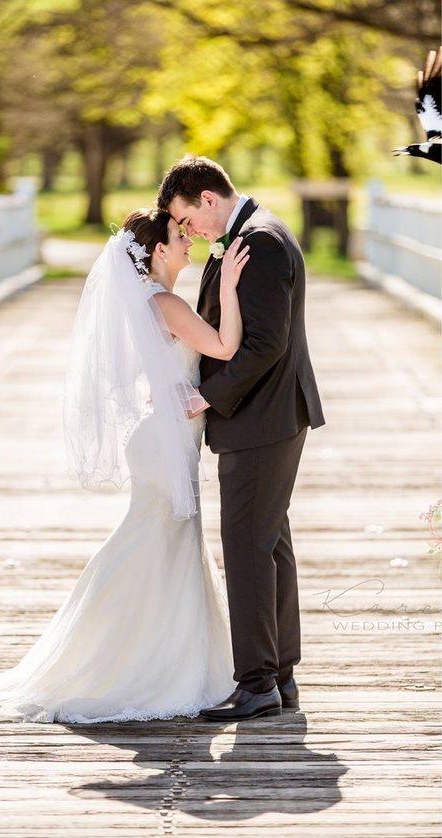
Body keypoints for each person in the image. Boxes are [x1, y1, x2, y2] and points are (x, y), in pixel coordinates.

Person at [0, 208, 259, 724]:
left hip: (161, 439)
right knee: (157, 544)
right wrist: (234, 286)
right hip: (165, 443)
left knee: (165, 548)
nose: (188, 241)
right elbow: (224, 345)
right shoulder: (166, 302)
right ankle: (133, 661)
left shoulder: (150, 303)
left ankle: (159, 657)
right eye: (179, 236)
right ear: (156, 252)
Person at [157, 155, 326, 721]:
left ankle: (256, 684)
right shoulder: (255, 234)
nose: (189, 232)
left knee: (250, 550)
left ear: (207, 198)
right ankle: (279, 676)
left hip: (262, 419)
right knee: (270, 544)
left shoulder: (262, 242)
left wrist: (208, 396)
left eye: (188, 219)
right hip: (270, 417)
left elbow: (265, 345)